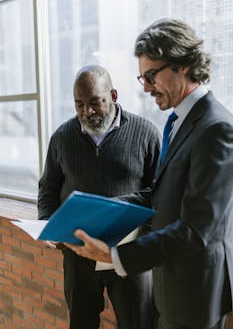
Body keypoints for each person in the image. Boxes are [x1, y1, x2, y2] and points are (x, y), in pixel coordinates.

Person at [64, 19, 233, 329]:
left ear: (182, 65)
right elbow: (159, 192)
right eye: (143, 77)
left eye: (152, 76)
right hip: (171, 281)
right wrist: (100, 211)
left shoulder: (217, 128)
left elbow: (197, 229)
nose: (145, 87)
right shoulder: (177, 121)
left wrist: (117, 256)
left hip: (195, 291)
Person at [38, 65, 161, 329]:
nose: (87, 112)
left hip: (129, 255)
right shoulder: (61, 137)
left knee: (138, 324)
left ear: (114, 96)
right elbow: (48, 188)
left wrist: (147, 240)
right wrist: (47, 222)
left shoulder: (147, 133)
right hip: (78, 255)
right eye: (79, 105)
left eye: (95, 102)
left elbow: (159, 192)